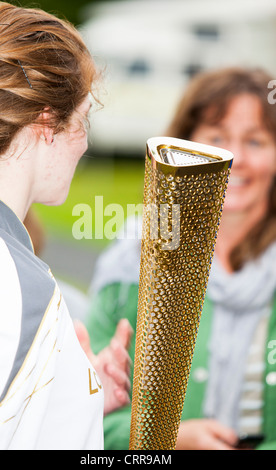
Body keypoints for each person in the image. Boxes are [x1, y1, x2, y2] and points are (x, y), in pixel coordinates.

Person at [86, 67, 276, 450]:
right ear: (182, 148)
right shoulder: (134, 261)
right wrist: (170, 442)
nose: (234, 159)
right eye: (216, 138)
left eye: (255, 141)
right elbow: (85, 414)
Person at [0, 2, 133, 450]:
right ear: (48, 122)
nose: (84, 145)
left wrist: (75, 399)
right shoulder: (12, 282)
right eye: (82, 121)